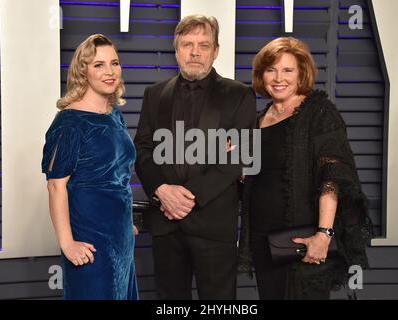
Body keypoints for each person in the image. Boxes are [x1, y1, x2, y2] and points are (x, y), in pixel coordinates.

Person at [238, 37, 373, 299]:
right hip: (264, 240)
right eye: (271, 70)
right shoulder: (258, 120)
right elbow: (255, 178)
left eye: (288, 70)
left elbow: (332, 177)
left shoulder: (319, 112)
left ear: (302, 74)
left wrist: (323, 235)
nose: (279, 78)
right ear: (261, 75)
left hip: (303, 239)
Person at [134, 15, 256, 299]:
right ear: (176, 49)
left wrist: (186, 197)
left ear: (216, 51)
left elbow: (241, 154)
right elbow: (142, 150)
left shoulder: (240, 94)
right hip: (166, 222)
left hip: (213, 223)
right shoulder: (154, 94)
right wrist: (163, 190)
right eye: (187, 44)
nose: (195, 52)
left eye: (204, 44)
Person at [42, 34, 138, 300]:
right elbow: (55, 185)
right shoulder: (70, 123)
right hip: (90, 241)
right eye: (98, 65)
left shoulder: (113, 114)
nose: (109, 72)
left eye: (114, 63)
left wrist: (124, 223)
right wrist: (67, 243)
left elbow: (116, 175)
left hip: (120, 239)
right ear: (82, 71)